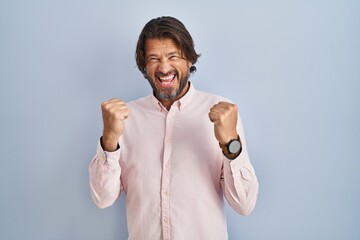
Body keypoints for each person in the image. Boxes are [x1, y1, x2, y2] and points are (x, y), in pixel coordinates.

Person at [89, 16, 259, 240]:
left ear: (189, 59)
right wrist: (109, 139)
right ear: (144, 65)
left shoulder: (224, 113)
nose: (164, 68)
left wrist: (230, 143)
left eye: (173, 57)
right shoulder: (124, 119)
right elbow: (102, 199)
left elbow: (244, 204)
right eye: (153, 58)